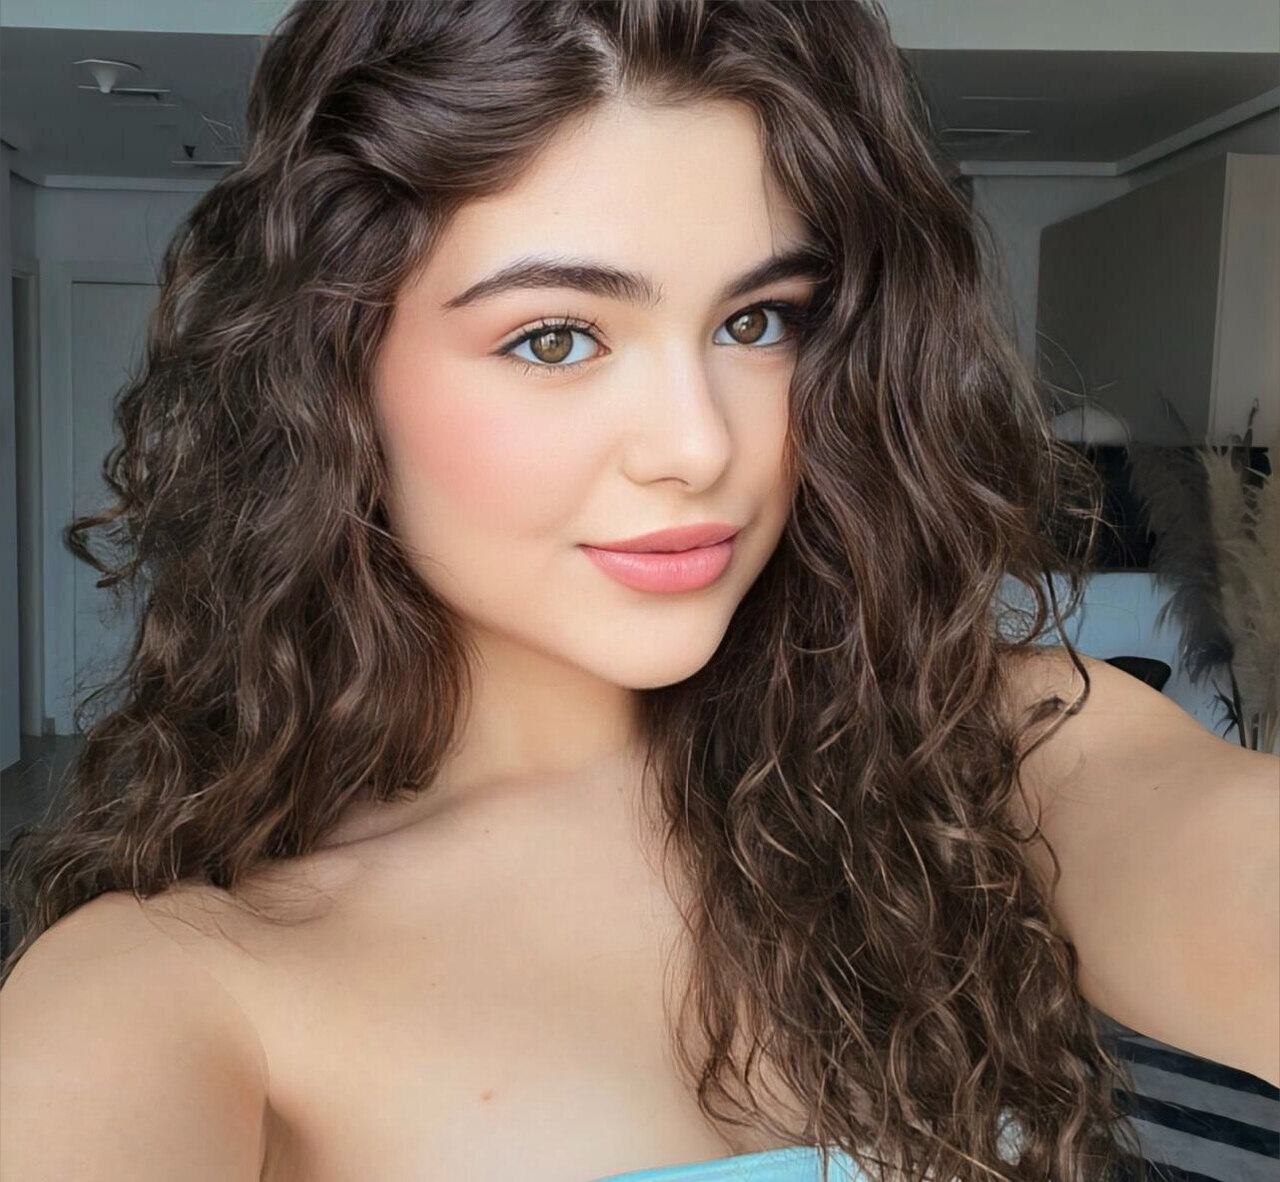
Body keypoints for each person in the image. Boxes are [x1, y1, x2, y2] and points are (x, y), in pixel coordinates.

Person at [2, 2, 1276, 1180]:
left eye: (757, 322)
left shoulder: (989, 757)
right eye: (554, 337)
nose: (698, 445)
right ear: (333, 379)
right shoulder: (176, 992)